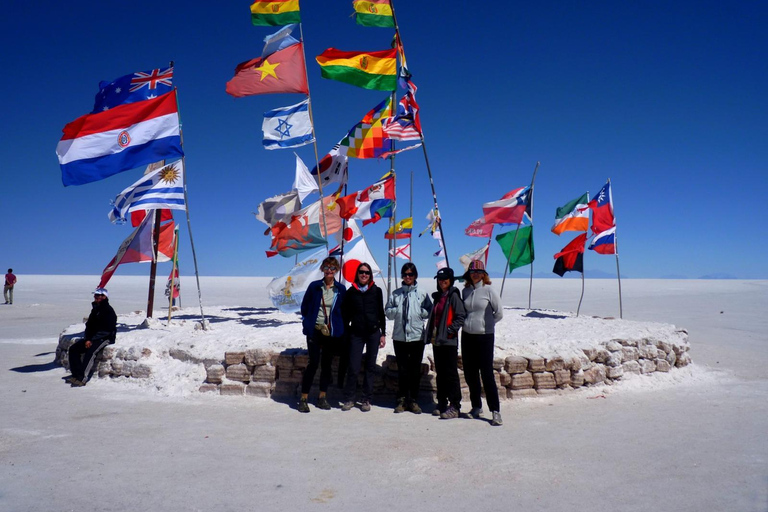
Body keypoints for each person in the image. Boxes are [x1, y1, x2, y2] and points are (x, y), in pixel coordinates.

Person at [297, 257, 347, 413]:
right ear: (322, 270)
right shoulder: (314, 287)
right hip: (315, 331)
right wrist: (308, 323)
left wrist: (340, 328)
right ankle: (303, 398)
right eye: (326, 268)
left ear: (336, 270)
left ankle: (322, 397)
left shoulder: (340, 289)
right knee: (313, 364)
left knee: (326, 365)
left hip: (331, 333)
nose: (329, 271)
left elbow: (343, 311)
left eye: (332, 268)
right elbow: (305, 307)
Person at [385, 262, 432, 414]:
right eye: (405, 274)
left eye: (410, 274)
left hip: (417, 336)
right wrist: (397, 311)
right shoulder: (396, 293)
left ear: (415, 276)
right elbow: (388, 310)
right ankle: (402, 399)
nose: (407, 276)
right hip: (399, 337)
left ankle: (414, 400)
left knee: (414, 370)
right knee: (403, 370)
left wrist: (419, 313)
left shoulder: (422, 293)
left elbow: (429, 310)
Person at [461, 260, 504, 426]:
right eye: (473, 272)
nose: (475, 274)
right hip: (467, 336)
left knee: (486, 374)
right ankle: (476, 406)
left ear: (484, 274)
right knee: (470, 373)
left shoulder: (489, 291)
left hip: (485, 337)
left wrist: (487, 325)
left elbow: (499, 313)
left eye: (478, 272)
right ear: (469, 274)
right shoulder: (465, 291)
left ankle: (495, 411)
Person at [340, 262, 386, 412]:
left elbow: (381, 313)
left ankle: (366, 398)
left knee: (370, 367)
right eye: (361, 272)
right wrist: (346, 332)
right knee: (353, 366)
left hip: (373, 333)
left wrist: (383, 333)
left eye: (366, 272)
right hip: (357, 333)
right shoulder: (351, 292)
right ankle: (349, 398)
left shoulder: (376, 291)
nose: (364, 275)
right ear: (357, 274)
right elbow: (345, 314)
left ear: (370, 274)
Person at [424, 267, 466, 419]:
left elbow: (461, 316)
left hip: (448, 341)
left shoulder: (453, 296)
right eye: (440, 279)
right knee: (440, 373)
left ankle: (455, 405)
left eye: (445, 279)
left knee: (450, 374)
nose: (442, 282)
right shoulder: (439, 296)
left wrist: (450, 330)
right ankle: (442, 402)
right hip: (438, 340)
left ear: (451, 280)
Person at [67, 288, 118, 387]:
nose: (98, 297)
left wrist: (91, 340)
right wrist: (87, 339)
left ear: (105, 297)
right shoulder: (95, 309)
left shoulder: (108, 311)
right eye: (96, 295)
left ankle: (82, 378)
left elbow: (107, 329)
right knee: (73, 349)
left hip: (105, 337)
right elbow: (89, 326)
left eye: (100, 296)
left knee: (90, 352)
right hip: (92, 338)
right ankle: (76, 375)